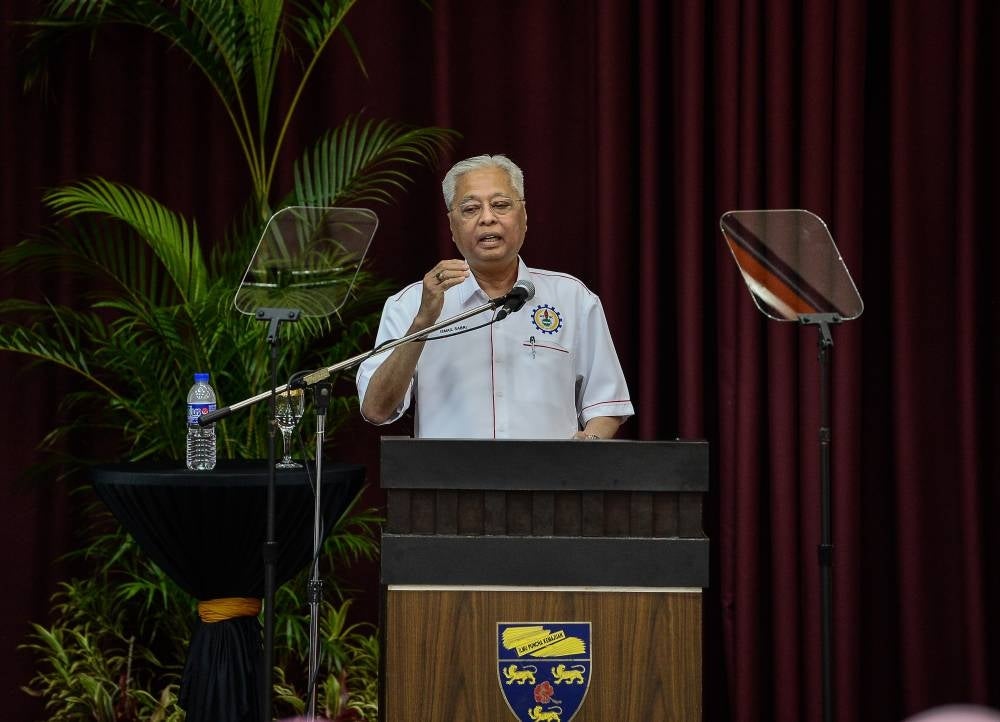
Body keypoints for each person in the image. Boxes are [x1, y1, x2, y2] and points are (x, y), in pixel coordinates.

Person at [356, 154, 633, 439]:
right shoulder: (412, 303)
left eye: (501, 205)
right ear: (451, 226)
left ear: (524, 217)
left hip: (549, 479)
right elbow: (377, 410)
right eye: (471, 208)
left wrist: (591, 441)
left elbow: (606, 403)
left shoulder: (573, 298)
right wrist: (423, 322)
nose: (487, 218)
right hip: (448, 481)